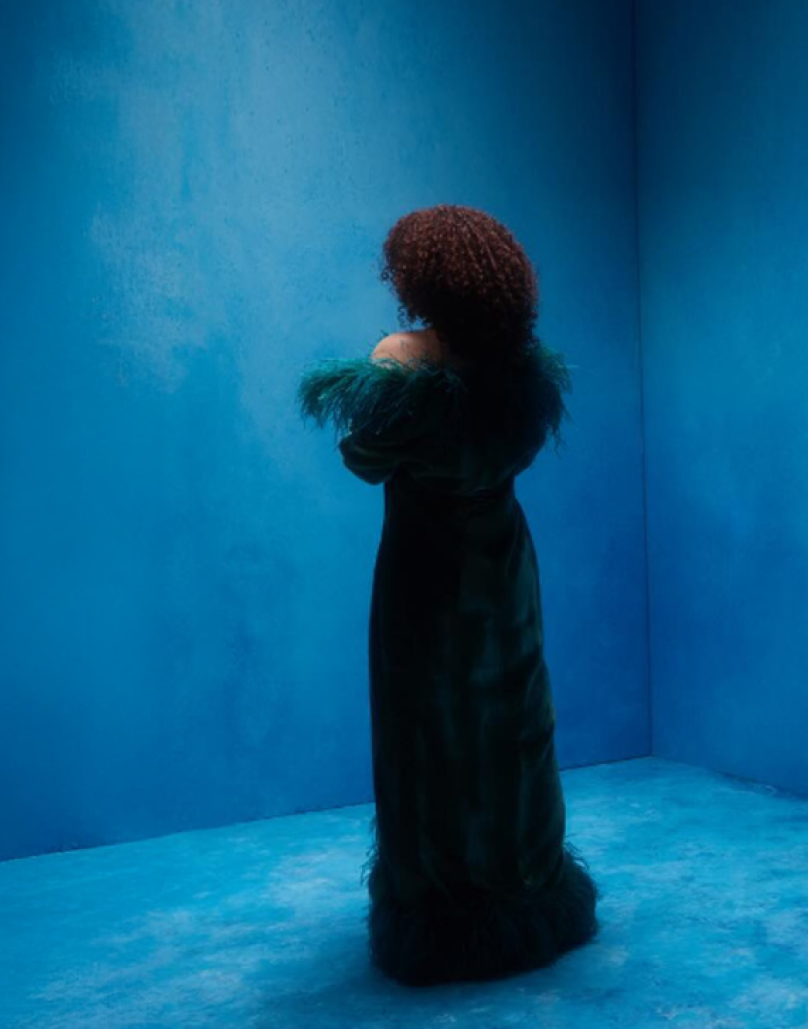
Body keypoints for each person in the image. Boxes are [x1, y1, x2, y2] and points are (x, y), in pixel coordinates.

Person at [297, 205, 598, 986]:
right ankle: (526, 889)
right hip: (504, 572)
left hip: (425, 580)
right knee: (515, 726)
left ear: (422, 282)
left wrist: (398, 371)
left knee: (424, 738)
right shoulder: (519, 378)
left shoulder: (404, 361)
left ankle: (438, 912)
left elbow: (363, 456)